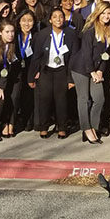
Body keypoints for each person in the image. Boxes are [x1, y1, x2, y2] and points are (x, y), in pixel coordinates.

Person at [28, 8, 79, 139]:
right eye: (55, 17)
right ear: (50, 20)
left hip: (62, 70)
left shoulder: (71, 34)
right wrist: (32, 75)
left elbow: (74, 57)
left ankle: (62, 127)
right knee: (45, 99)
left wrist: (71, 79)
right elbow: (36, 57)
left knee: (61, 100)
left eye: (61, 17)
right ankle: (43, 127)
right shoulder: (42, 34)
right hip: (46, 70)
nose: (58, 19)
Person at [71, 2, 110, 145]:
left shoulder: (109, 30)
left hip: (96, 68)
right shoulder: (90, 30)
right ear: (98, 14)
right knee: (83, 99)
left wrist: (101, 70)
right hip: (82, 68)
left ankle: (94, 126)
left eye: (109, 13)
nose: (107, 16)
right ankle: (86, 129)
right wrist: (93, 72)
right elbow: (86, 54)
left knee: (99, 98)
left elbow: (105, 54)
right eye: (104, 13)